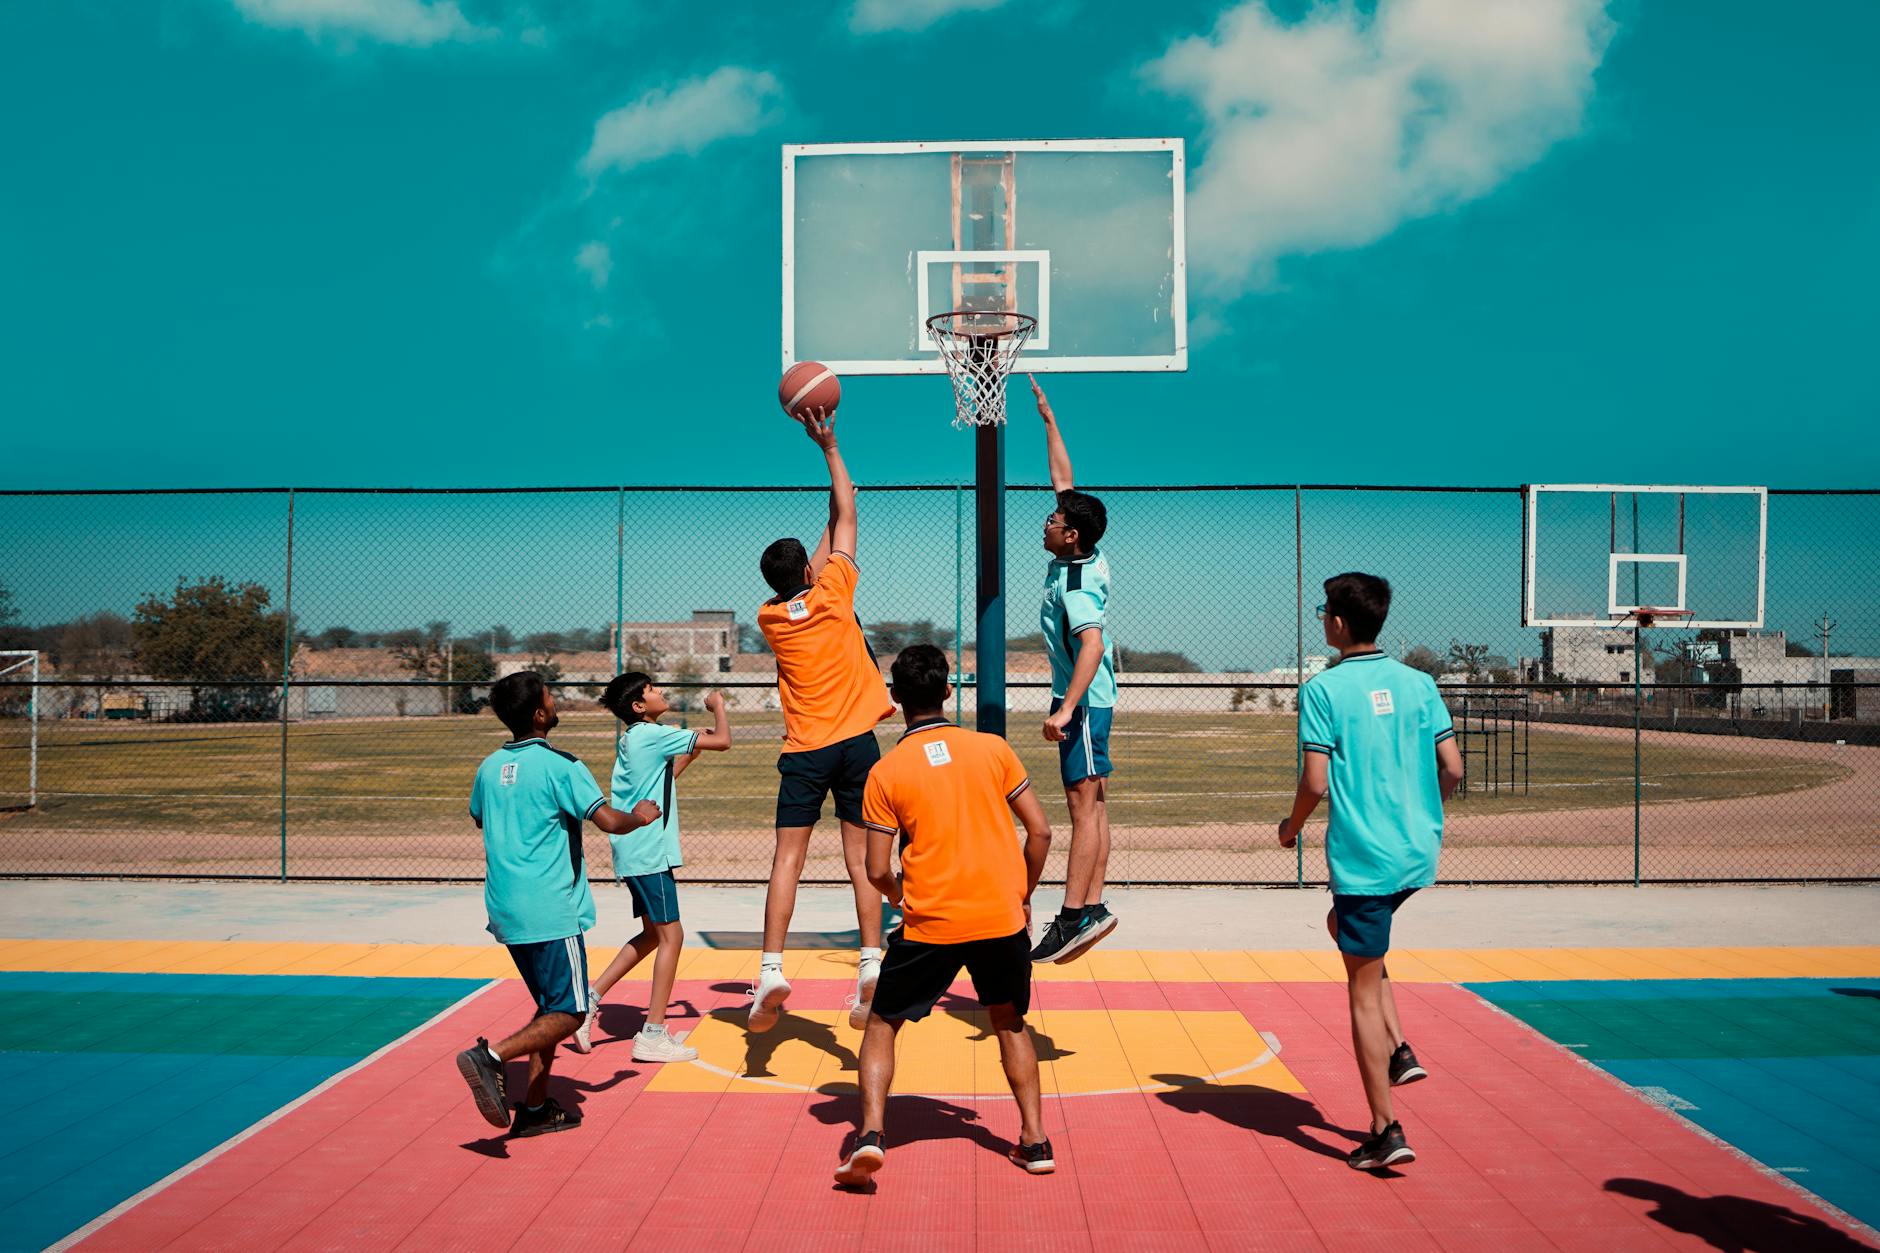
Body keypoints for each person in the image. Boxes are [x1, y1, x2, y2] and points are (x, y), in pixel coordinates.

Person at [833, 644, 1056, 1187]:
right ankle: (1034, 1140)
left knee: (883, 1022)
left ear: (895, 698)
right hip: (999, 920)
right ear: (948, 690)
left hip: (930, 921)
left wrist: (895, 895)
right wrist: (1021, 893)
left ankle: (870, 1134)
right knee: (1009, 1021)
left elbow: (875, 866)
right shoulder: (992, 749)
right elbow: (1042, 832)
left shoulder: (886, 773)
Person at [1277, 574, 1464, 1170]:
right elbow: (1453, 769)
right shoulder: (1419, 682)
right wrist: (1421, 810)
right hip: (1415, 853)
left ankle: (1385, 1129)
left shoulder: (1324, 689)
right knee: (1349, 932)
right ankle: (1402, 1048)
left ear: (1336, 621)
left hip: (1365, 859)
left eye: (1323, 612)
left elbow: (1315, 782)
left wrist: (1291, 825)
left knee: (1358, 986)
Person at [455, 670, 660, 1137]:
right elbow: (608, 820)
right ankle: (489, 1057)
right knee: (571, 1013)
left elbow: (477, 816)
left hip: (505, 907)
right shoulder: (563, 766)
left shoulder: (488, 767)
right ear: (540, 713)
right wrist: (641, 816)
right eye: (550, 695)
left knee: (549, 1007)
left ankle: (534, 1108)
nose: (556, 700)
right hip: (549, 908)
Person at [750, 409, 895, 1032]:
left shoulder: (770, 618)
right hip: (858, 747)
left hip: (806, 750)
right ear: (811, 571)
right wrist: (830, 447)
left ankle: (771, 969)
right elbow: (848, 520)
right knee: (861, 859)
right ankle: (869, 958)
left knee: (788, 859)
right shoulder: (835, 590)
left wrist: (829, 520)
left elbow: (805, 569)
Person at [576, 673, 732, 1062]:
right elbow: (724, 741)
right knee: (672, 937)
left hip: (636, 852)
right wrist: (719, 707)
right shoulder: (652, 735)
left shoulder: (638, 738)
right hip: (648, 853)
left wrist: (690, 752)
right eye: (651, 690)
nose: (659, 692)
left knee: (651, 936)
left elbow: (664, 779)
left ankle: (588, 1003)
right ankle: (652, 1034)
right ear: (638, 706)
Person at [1025, 376, 1120, 965]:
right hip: (1096, 702)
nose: (1047, 521)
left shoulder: (1079, 584)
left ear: (1071, 535)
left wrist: (1065, 707)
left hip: (1082, 703)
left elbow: (1092, 644)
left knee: (1081, 807)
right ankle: (1094, 905)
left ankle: (1073, 915)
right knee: (1098, 802)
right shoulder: (1087, 554)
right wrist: (1048, 419)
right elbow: (1065, 479)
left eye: (1054, 519)